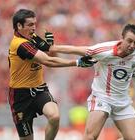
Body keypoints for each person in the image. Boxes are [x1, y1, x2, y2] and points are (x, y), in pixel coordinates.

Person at [49, 23, 135, 140]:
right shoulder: (104, 50)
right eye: (129, 41)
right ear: (122, 38)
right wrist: (55, 48)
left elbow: (131, 71)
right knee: (90, 137)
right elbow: (78, 49)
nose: (132, 46)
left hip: (122, 101)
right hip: (102, 97)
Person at [8, 9, 96, 140]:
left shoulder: (32, 37)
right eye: (30, 25)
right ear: (19, 26)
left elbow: (51, 52)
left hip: (39, 90)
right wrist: (77, 62)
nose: (33, 28)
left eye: (34, 24)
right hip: (20, 95)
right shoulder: (20, 44)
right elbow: (48, 61)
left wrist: (51, 45)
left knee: (54, 116)